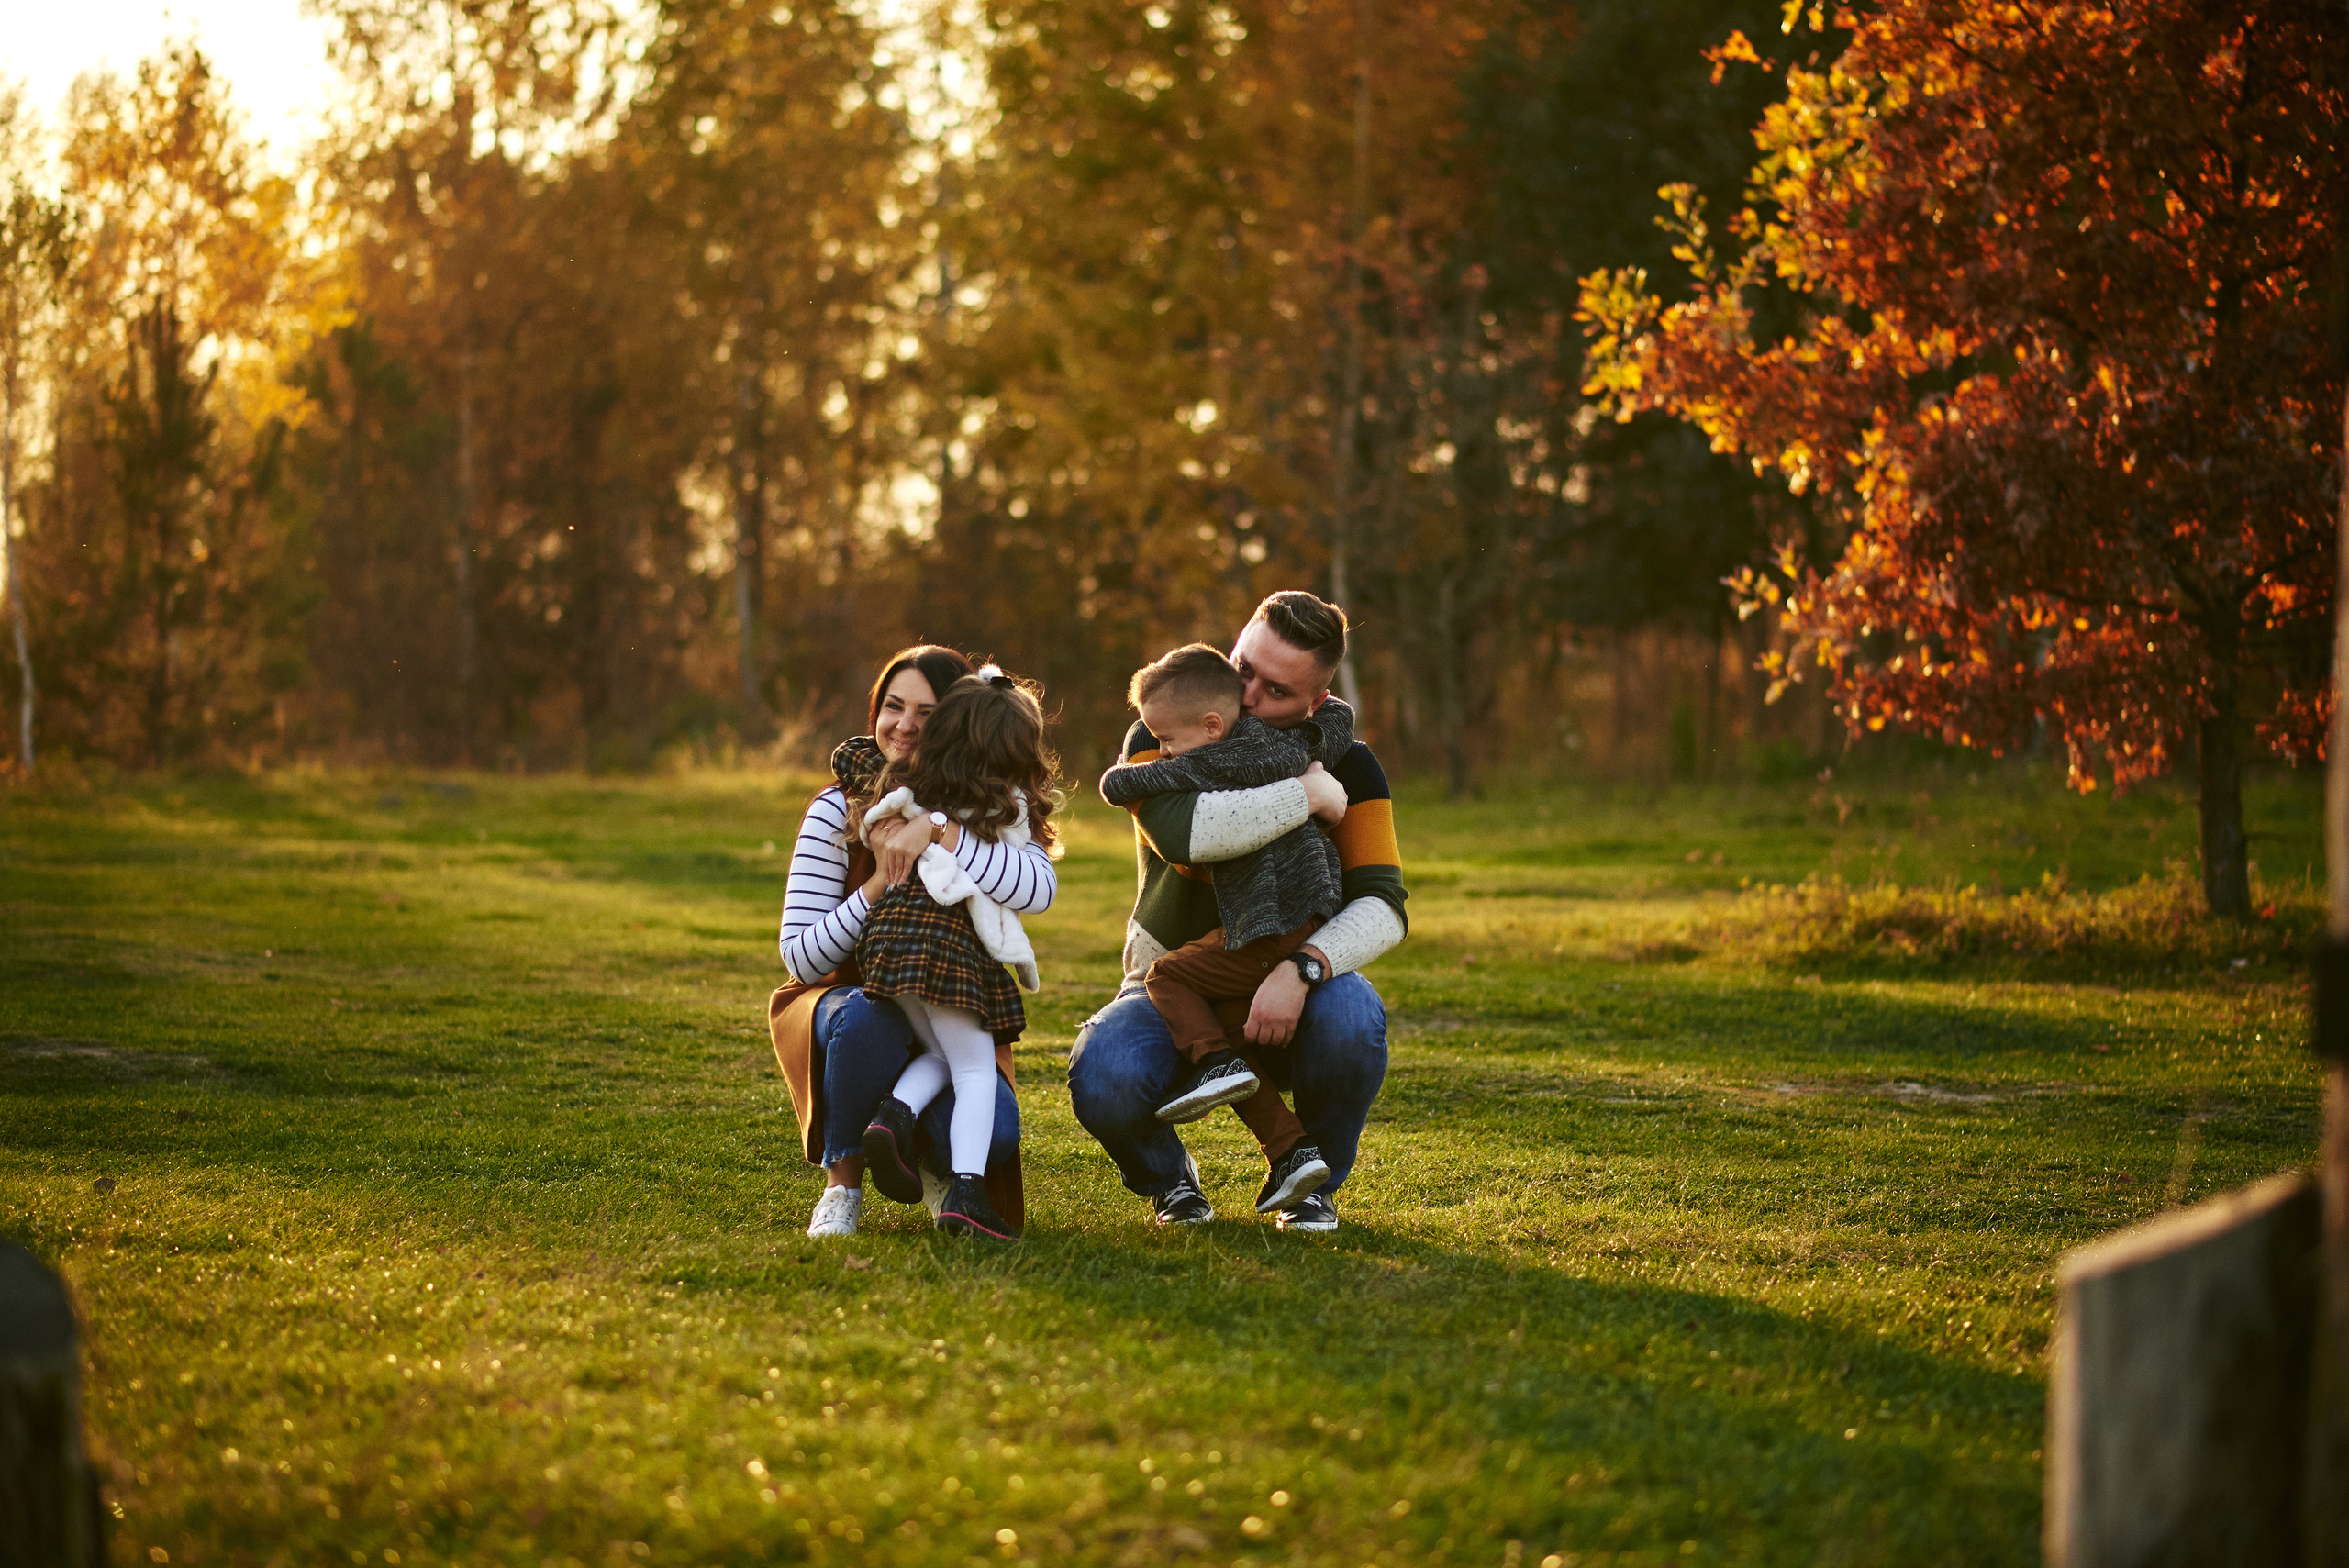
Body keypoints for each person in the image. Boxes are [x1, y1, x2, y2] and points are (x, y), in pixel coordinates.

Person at [1069, 591, 1408, 1231]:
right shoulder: (1166, 729)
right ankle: (1171, 1180)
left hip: (1288, 975)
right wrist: (1307, 793)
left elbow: (1383, 905)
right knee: (1106, 1069)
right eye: (1242, 667)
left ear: (1315, 704)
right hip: (1167, 984)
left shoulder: (1351, 764)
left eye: (1275, 690)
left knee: (1352, 1018)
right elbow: (1188, 836)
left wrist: (1302, 969)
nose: (1246, 696)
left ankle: (1311, 1183)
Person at [768, 647, 1054, 1240]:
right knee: (872, 1022)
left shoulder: (980, 801)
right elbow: (802, 958)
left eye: (925, 712)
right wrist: (879, 881)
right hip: (848, 1003)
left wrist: (941, 829)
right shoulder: (839, 806)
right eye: (893, 707)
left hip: (936, 996)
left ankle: (909, 1138)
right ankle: (842, 1186)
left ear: (958, 718)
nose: (903, 725)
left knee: (995, 1126)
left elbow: (1036, 887)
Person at [1097, 644, 1353, 1215]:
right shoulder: (1293, 744)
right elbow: (1335, 723)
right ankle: (1293, 1153)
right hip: (1295, 917)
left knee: (1168, 977)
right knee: (1226, 1027)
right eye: (1244, 672)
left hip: (1274, 926)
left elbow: (1147, 779)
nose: (1161, 747)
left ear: (1212, 726)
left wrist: (1125, 776)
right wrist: (1316, 771)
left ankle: (1215, 1063)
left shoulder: (1226, 754)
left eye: (1167, 739)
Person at [846, 669, 1062, 1241]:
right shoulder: (1003, 807)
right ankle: (967, 1192)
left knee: (945, 1055)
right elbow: (1034, 887)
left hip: (890, 942)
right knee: (974, 1070)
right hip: (946, 949)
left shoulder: (915, 790)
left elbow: (865, 795)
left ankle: (893, 1118)